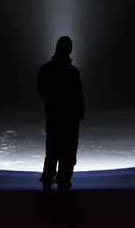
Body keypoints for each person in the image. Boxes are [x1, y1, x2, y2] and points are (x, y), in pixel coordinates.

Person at [37, 36, 85, 191]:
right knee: (66, 151)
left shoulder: (47, 69)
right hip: (67, 118)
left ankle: (49, 181)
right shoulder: (72, 72)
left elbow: (41, 91)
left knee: (54, 150)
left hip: (56, 116)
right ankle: (60, 181)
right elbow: (78, 95)